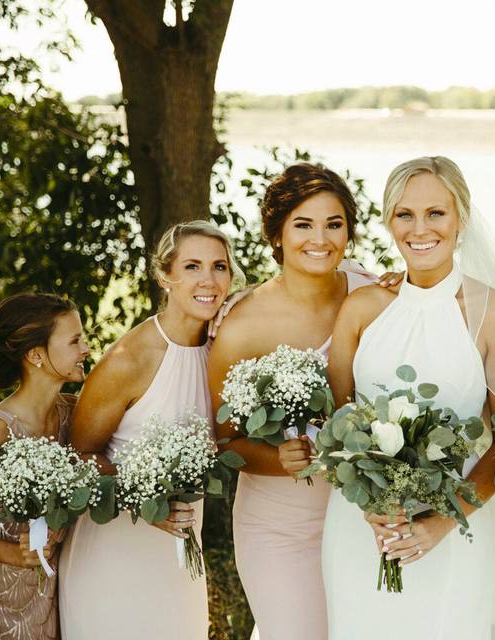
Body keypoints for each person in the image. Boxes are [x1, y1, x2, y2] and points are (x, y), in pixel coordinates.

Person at [321, 156, 495, 639]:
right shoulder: (362, 307)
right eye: (404, 214)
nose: (420, 229)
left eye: (436, 213)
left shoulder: (494, 316)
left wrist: (441, 521)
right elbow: (334, 421)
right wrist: (367, 507)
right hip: (360, 526)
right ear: (388, 221)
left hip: (453, 527)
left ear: (461, 218)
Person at [209, 162, 375, 640]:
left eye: (333, 224)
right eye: (303, 224)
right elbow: (223, 441)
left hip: (363, 516)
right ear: (276, 233)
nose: (319, 238)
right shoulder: (242, 325)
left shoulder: (374, 295)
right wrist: (278, 459)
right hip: (279, 527)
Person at [59, 220, 245, 640]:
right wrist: (145, 499)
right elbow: (80, 457)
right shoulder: (130, 358)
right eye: (193, 266)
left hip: (179, 562)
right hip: (114, 554)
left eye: (219, 267)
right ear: (165, 276)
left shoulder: (225, 349)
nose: (208, 280)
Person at [0, 293, 88, 640]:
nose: (85, 348)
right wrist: (13, 553)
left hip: (50, 600)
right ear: (36, 354)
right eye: (74, 340)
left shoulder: (74, 415)